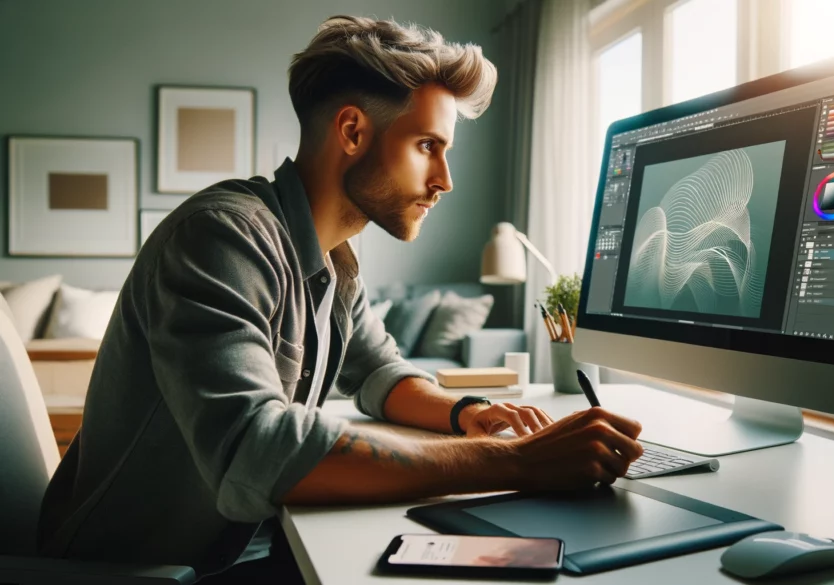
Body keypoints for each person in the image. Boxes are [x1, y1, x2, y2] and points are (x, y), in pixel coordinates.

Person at [36, 15, 643, 583]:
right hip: (157, 567)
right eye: (428, 146)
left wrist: (468, 414)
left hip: (240, 544)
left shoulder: (333, 260)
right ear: (353, 131)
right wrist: (516, 462)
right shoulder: (222, 237)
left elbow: (379, 371)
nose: (445, 180)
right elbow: (259, 448)